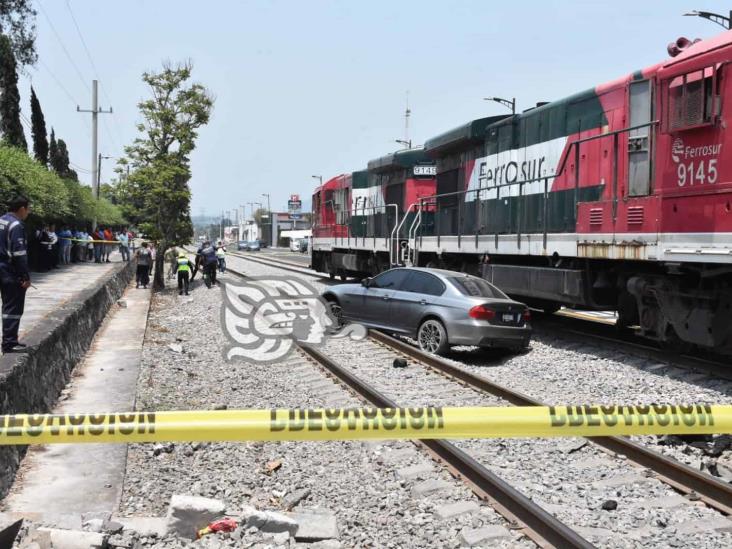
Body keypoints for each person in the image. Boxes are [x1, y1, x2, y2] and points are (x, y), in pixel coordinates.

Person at [0, 195, 32, 354]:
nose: (28, 212)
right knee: (12, 307)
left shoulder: (2, 221)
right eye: (28, 209)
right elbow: (19, 253)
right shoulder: (16, 225)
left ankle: (8, 341)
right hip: (9, 270)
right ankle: (9, 342)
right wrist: (25, 277)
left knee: (7, 306)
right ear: (21, 209)